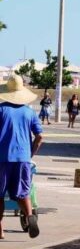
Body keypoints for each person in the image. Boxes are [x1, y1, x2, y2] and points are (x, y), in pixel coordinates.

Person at [0, 76, 44, 239]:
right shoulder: (29, 112)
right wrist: (30, 154)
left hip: (2, 159)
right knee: (23, 193)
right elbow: (40, 137)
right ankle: (30, 216)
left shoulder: (1, 110)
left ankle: (0, 230)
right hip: (23, 159)